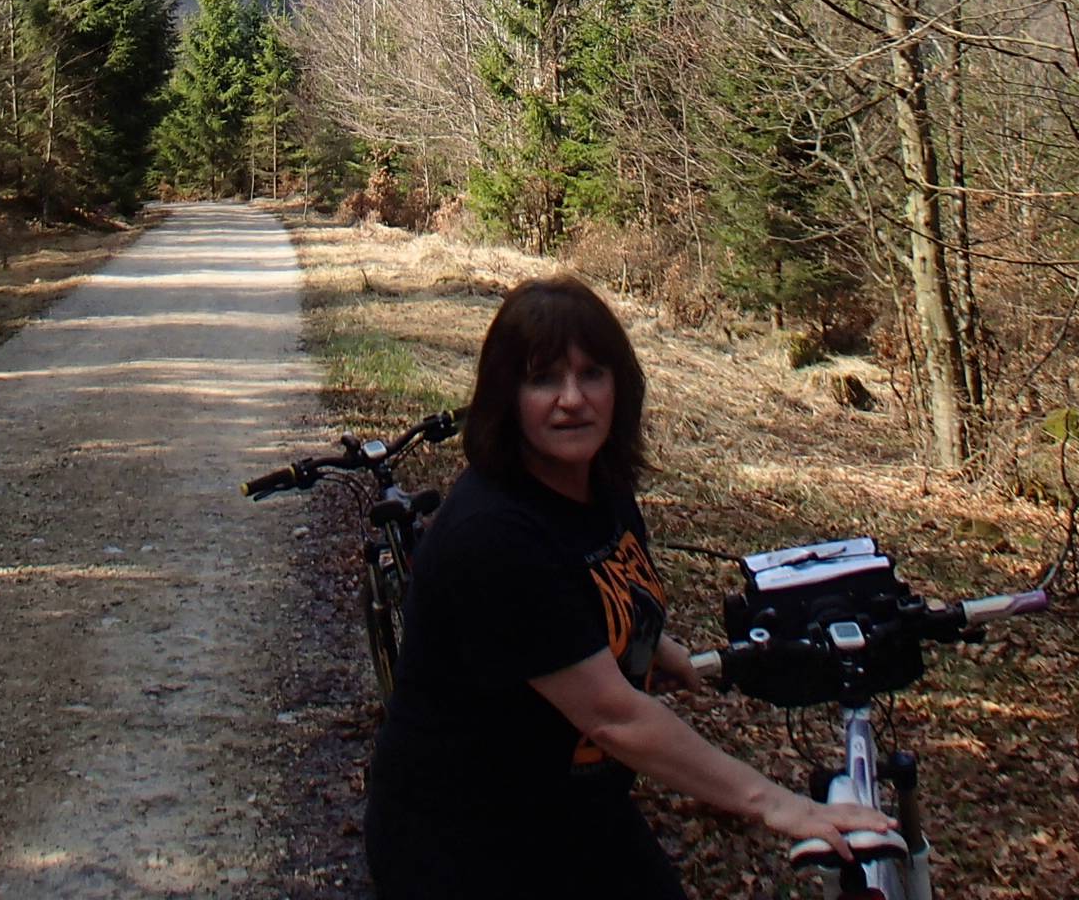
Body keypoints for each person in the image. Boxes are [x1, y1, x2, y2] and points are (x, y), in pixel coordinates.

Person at [362, 274, 897, 900]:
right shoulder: (493, 536)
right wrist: (779, 805)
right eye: (543, 379)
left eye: (592, 374)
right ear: (506, 397)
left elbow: (591, 598)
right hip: (465, 840)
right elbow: (614, 718)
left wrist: (650, 643)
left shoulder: (600, 490)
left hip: (573, 810)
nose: (572, 399)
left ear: (620, 386)